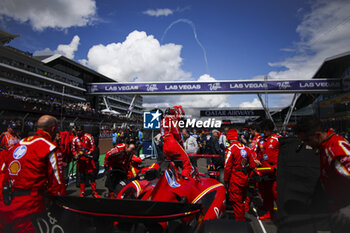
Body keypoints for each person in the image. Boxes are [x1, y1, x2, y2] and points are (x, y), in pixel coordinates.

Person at [0, 115, 66, 233]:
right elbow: (57, 182)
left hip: (7, 206)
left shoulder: (18, 144)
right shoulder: (49, 147)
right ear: (53, 129)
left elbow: (3, 172)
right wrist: (61, 205)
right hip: (31, 209)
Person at [296, 117, 350, 232]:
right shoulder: (325, 146)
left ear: (317, 135)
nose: (306, 144)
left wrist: (345, 212)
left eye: (307, 140)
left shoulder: (335, 150)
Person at [224, 128, 256, 221]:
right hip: (244, 178)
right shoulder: (246, 148)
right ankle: (241, 219)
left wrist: (226, 180)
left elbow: (227, 167)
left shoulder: (231, 149)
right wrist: (247, 175)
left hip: (235, 179)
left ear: (229, 138)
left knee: (236, 203)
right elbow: (253, 165)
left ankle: (240, 223)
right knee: (241, 201)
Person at [161, 105, 193, 177]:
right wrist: (181, 145)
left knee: (171, 165)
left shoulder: (162, 120)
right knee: (187, 165)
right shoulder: (171, 119)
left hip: (165, 145)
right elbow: (177, 133)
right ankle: (184, 183)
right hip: (172, 144)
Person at [258, 119, 280, 221]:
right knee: (265, 193)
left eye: (266, 130)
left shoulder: (278, 139)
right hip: (264, 170)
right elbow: (258, 154)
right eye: (263, 130)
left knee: (276, 193)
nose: (264, 132)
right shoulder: (261, 140)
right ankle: (268, 211)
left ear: (270, 130)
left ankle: (282, 213)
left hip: (275, 171)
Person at [71, 125, 100, 198]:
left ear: (83, 130)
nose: (78, 132)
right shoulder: (74, 139)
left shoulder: (88, 136)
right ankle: (82, 192)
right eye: (77, 130)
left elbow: (93, 146)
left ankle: (94, 191)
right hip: (80, 160)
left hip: (88, 159)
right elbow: (73, 149)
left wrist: (88, 153)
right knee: (82, 176)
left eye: (80, 130)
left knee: (92, 175)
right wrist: (76, 155)